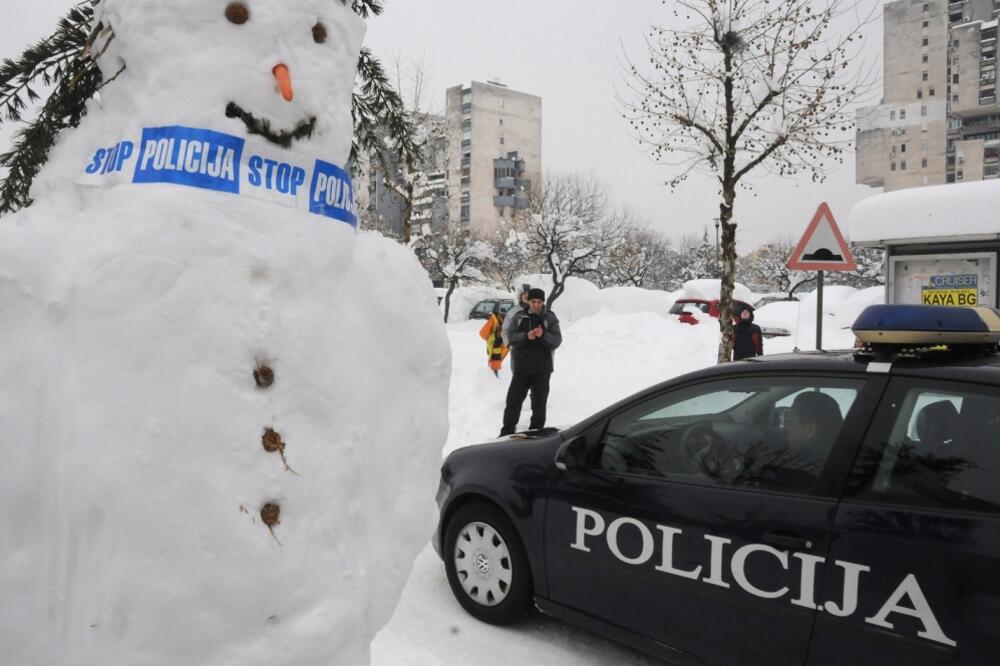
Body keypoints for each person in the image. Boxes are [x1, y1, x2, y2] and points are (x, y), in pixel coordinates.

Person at [499, 288, 562, 436]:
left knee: (539, 404)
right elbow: (510, 337)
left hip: (542, 369)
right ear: (528, 301)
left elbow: (557, 340)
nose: (536, 305)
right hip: (521, 368)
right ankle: (507, 431)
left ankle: (536, 431)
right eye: (533, 301)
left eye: (539, 302)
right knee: (513, 401)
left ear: (542, 302)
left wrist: (543, 334)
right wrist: (527, 336)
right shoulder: (519, 316)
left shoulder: (550, 318)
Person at [478, 303, 509, 377]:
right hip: (496, 345)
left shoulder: (498, 320)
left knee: (496, 362)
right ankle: (494, 379)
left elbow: (483, 333)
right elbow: (482, 333)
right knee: (495, 362)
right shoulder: (494, 320)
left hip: (498, 344)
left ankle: (494, 378)